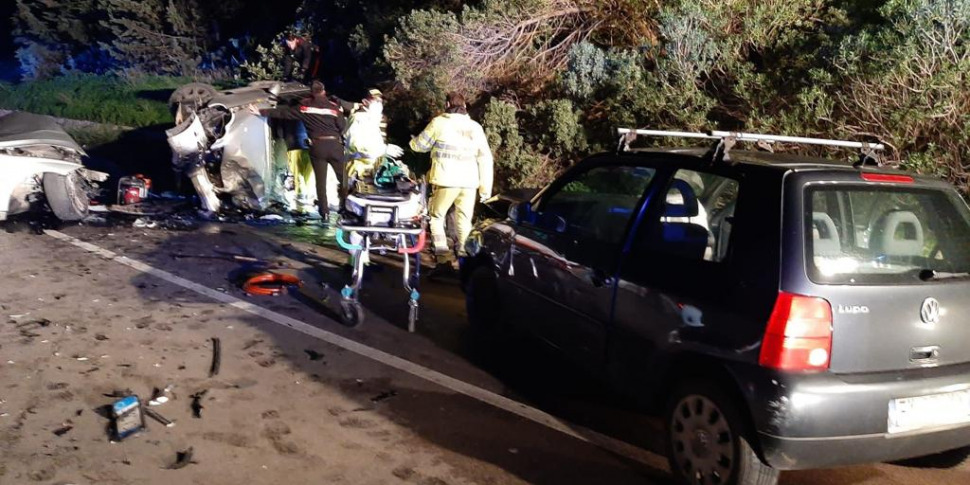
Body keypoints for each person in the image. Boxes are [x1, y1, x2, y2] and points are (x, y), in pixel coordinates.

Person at [410, 92, 493, 272]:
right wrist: (485, 189)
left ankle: (443, 260)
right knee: (464, 222)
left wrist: (412, 142)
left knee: (436, 217)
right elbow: (485, 158)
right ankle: (466, 263)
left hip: (446, 179)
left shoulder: (440, 122)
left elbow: (420, 145)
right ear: (465, 106)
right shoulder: (475, 127)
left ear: (447, 103)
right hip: (470, 182)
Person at [252, 81, 347, 223]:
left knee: (320, 182)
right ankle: (346, 209)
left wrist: (260, 111)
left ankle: (324, 214)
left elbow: (283, 113)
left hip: (317, 146)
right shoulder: (334, 108)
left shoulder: (305, 108)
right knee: (344, 179)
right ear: (324, 91)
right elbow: (342, 126)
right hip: (334, 145)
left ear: (312, 93)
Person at [345, 89, 403, 181]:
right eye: (375, 100)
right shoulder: (358, 119)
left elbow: (375, 144)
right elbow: (355, 147)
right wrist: (384, 150)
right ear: (365, 102)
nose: (379, 103)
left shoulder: (372, 121)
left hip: (371, 170)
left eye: (380, 101)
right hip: (357, 171)